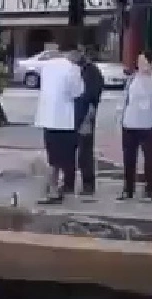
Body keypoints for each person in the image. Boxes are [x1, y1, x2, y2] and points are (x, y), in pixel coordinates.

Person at [33, 41, 84, 204]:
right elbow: (78, 92)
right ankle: (55, 190)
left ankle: (50, 188)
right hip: (64, 120)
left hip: (47, 119)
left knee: (52, 157)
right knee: (64, 158)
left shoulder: (47, 65)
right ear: (73, 54)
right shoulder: (72, 69)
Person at [117, 50, 152, 203]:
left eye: (143, 62)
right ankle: (128, 189)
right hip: (130, 124)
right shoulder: (132, 79)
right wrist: (120, 117)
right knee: (128, 158)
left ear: (151, 63)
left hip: (149, 125)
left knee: (150, 160)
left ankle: (149, 191)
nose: (140, 65)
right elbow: (125, 99)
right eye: (138, 62)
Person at [68, 45, 104, 199]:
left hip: (85, 117)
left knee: (85, 154)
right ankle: (68, 184)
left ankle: (88, 184)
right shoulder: (73, 70)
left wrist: (89, 117)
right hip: (70, 117)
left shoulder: (92, 72)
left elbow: (93, 97)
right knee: (68, 153)